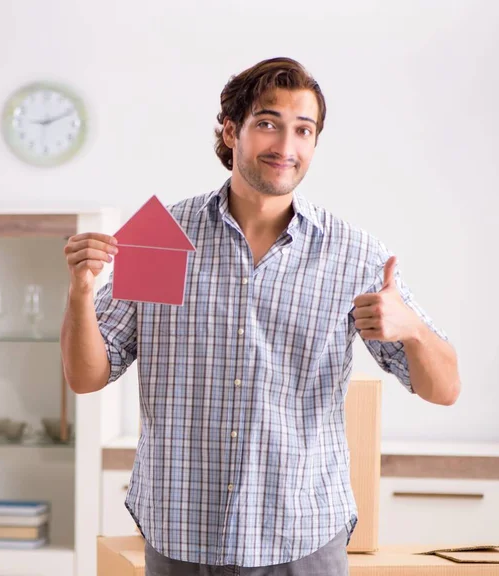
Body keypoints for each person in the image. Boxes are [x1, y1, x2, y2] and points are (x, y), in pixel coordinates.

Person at [60, 57, 461, 576]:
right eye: (268, 123)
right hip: (181, 532)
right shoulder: (161, 238)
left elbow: (444, 388)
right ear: (231, 131)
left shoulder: (353, 255)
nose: (286, 146)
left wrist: (412, 329)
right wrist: (79, 293)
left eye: (304, 130)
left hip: (301, 538)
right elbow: (87, 376)